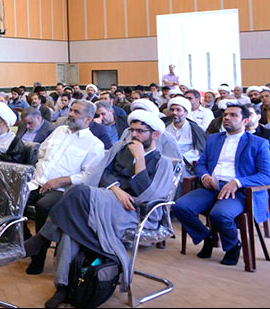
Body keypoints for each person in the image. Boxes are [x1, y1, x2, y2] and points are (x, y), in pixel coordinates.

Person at [23, 109, 175, 308]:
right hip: (104, 201)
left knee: (77, 192)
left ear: (155, 134)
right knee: (71, 227)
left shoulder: (163, 163)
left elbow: (146, 195)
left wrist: (140, 159)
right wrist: (115, 189)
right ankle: (63, 287)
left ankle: (41, 240)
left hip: (130, 212)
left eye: (140, 131)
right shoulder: (120, 149)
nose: (134, 135)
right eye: (132, 130)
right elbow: (102, 174)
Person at [174, 103, 270, 266]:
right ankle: (207, 237)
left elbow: (267, 176)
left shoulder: (258, 143)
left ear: (245, 121)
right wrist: (204, 175)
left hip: (239, 191)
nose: (226, 117)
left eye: (233, 115)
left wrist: (238, 182)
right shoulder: (214, 139)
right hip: (212, 187)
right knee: (180, 206)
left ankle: (233, 246)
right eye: (225, 114)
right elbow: (201, 163)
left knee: (219, 214)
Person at [22, 103, 105, 275]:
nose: (71, 114)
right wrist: (40, 170)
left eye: (76, 112)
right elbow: (42, 152)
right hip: (37, 182)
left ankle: (38, 256)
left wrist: (62, 180)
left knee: (44, 206)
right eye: (71, 110)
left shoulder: (94, 144)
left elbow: (89, 176)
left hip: (63, 191)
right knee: (12, 200)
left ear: (88, 119)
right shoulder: (59, 131)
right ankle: (25, 241)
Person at [165, 97, 207, 175]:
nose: (174, 112)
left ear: (186, 113)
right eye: (172, 110)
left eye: (178, 110)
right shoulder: (165, 127)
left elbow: (200, 151)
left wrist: (181, 158)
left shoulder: (195, 129)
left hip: (186, 165)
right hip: (164, 163)